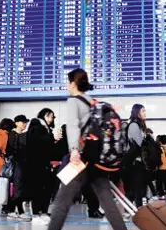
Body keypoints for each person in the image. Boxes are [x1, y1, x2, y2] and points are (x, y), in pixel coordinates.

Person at [47, 68, 127, 230]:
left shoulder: (73, 101)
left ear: (73, 83)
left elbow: (72, 126)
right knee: (107, 200)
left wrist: (74, 150)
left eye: (68, 82)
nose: (67, 86)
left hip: (81, 157)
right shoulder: (92, 102)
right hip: (96, 158)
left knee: (62, 199)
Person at [5, 115, 32, 221]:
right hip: (17, 164)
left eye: (25, 122)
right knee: (17, 188)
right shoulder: (12, 135)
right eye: (22, 122)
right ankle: (17, 211)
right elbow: (11, 151)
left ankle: (14, 210)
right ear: (16, 123)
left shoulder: (22, 135)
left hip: (22, 165)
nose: (24, 124)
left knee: (19, 188)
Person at [126, 104, 152, 207]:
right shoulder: (134, 125)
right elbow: (140, 144)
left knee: (139, 187)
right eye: (143, 111)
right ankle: (135, 209)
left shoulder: (140, 125)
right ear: (137, 113)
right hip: (135, 162)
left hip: (140, 161)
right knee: (136, 187)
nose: (145, 113)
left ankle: (137, 208)